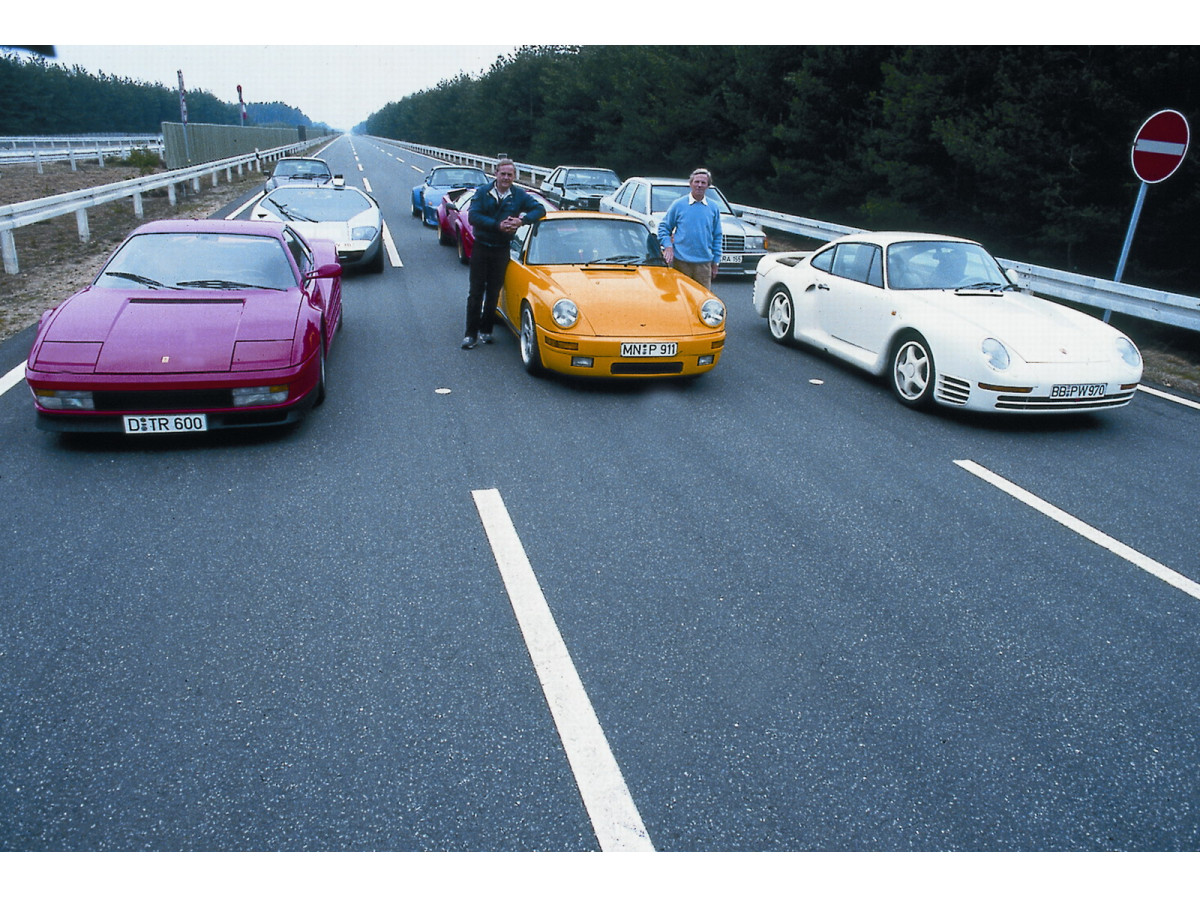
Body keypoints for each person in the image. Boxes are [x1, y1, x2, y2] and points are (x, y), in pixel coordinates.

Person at [461, 158, 546, 349]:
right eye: (503, 174)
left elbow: (539, 209)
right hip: (481, 247)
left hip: (502, 249)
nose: (506, 178)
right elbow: (473, 216)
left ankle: (486, 331)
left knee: (493, 292)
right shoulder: (483, 192)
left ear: (514, 176)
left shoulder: (518, 195)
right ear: (496, 174)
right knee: (475, 292)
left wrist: (521, 221)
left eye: (510, 175)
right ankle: (470, 334)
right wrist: (497, 225)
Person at [657, 168, 722, 288]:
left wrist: (716, 261)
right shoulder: (679, 204)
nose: (699, 185)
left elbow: (717, 236)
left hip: (704, 264)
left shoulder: (713, 207)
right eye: (696, 182)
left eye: (703, 183)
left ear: (708, 186)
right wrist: (668, 246)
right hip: (681, 263)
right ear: (690, 183)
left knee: (702, 300)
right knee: (681, 299)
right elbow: (664, 228)